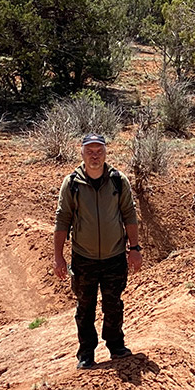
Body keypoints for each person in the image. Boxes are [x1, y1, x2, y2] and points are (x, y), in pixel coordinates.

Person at [53, 133, 143, 369]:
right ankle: (86, 354)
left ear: (105, 153)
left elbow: (129, 215)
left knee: (113, 304)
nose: (95, 156)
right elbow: (62, 220)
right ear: (82, 153)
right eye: (90, 151)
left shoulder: (117, 180)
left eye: (99, 151)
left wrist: (134, 248)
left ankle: (116, 346)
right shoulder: (72, 183)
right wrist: (58, 257)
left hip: (114, 257)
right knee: (85, 307)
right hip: (84, 258)